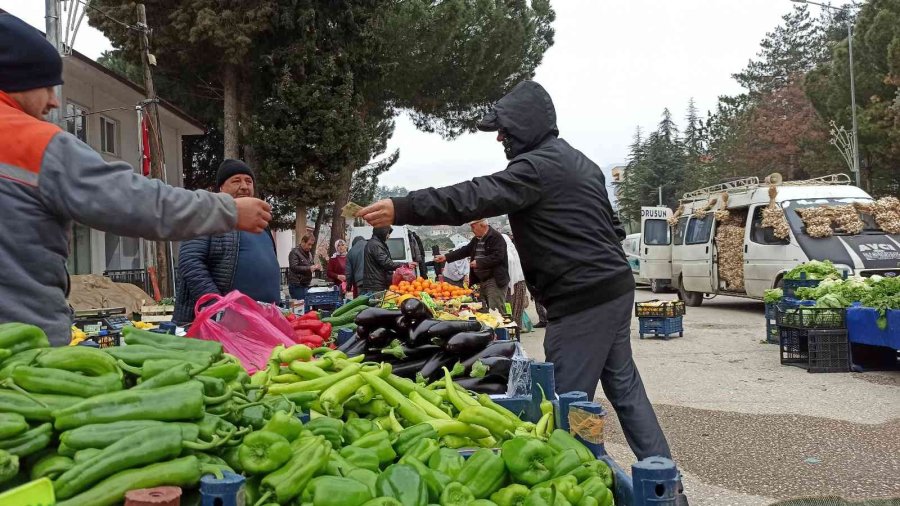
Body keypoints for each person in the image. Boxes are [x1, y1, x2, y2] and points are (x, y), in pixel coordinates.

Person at [356, 80, 670, 461]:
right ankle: (665, 483)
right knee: (624, 387)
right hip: (614, 288)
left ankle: (573, 478)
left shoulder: (535, 168)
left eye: (504, 129)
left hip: (581, 299)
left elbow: (473, 196)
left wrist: (404, 207)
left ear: (526, 124)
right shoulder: (582, 164)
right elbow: (614, 226)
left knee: (559, 404)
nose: (500, 137)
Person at [0, 13, 271, 345]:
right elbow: (135, 201)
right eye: (46, 85)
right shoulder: (31, 142)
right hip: (20, 347)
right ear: (17, 77)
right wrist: (228, 210)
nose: (54, 101)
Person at [173, 159, 281, 323]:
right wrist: (217, 306)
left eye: (248, 181)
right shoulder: (208, 215)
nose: (244, 186)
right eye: (236, 181)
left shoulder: (260, 223)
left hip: (263, 321)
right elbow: (190, 261)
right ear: (221, 188)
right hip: (222, 323)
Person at [435, 219, 508, 313]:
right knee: (483, 309)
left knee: (495, 310)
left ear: (483, 225)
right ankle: (489, 327)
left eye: (473, 227)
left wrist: (479, 262)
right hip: (482, 280)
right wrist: (446, 257)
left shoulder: (496, 237)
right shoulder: (476, 239)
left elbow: (498, 256)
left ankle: (500, 328)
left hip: (494, 280)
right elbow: (464, 251)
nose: (471, 230)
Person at [359, 227, 405, 294]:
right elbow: (386, 263)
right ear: (382, 232)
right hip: (376, 285)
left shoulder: (376, 243)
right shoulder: (375, 245)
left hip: (376, 283)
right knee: (378, 303)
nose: (389, 236)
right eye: (387, 233)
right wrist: (405, 264)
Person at [503, 233, 527, 328]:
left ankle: (513, 329)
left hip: (513, 285)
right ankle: (516, 328)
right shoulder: (513, 250)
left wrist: (510, 286)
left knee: (511, 308)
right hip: (520, 283)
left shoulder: (508, 253)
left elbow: (511, 272)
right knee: (517, 308)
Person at [287, 235, 321, 301]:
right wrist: (309, 268)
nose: (310, 247)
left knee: (306, 307)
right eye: (309, 244)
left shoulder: (309, 254)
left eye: (312, 245)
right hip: (297, 285)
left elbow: (310, 266)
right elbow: (293, 267)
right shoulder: (294, 252)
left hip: (305, 284)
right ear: (303, 242)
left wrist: (316, 268)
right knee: (300, 308)